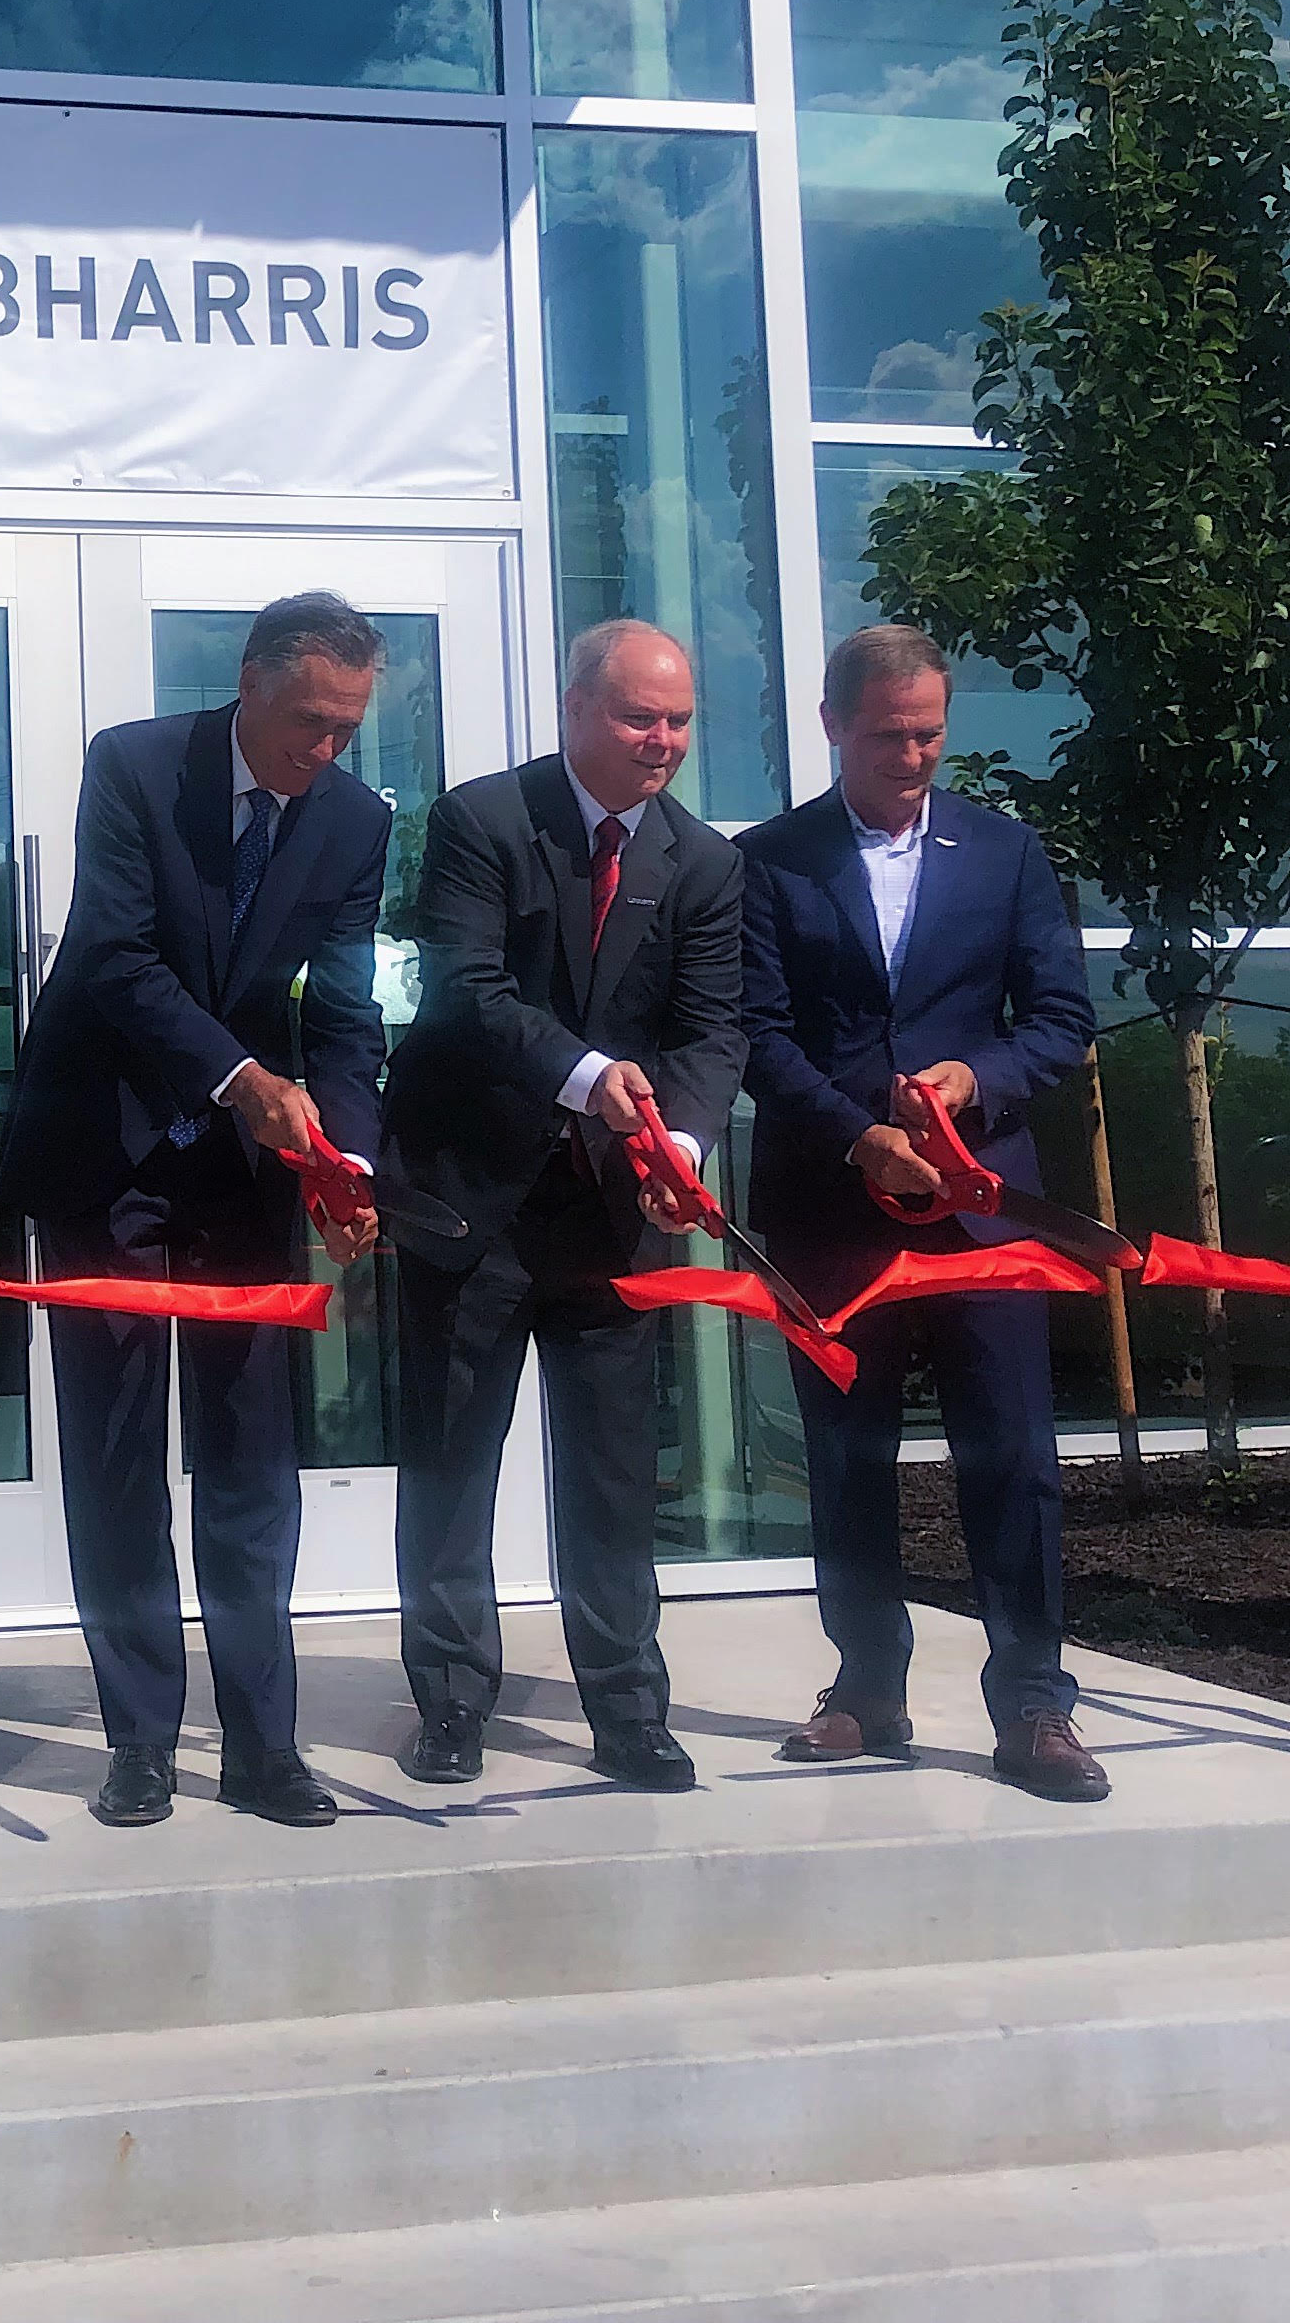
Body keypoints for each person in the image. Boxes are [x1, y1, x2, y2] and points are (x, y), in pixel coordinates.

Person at [0, 592, 392, 1831]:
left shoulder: (357, 820)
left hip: (246, 1176)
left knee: (251, 1458)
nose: (323, 751)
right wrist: (238, 1076)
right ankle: (141, 1742)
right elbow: (113, 955)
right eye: (307, 721)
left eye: (346, 729)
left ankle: (265, 1745)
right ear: (250, 682)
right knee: (117, 1459)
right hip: (103, 1152)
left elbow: (342, 1008)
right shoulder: (134, 763)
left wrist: (348, 1161)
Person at [739, 623, 1107, 1802]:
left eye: (932, 732)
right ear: (835, 725)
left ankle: (1036, 1708)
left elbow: (1059, 1020)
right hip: (828, 1207)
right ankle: (866, 1691)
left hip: (983, 1211)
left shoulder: (1002, 852)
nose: (916, 754)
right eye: (892, 733)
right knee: (847, 1457)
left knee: (1014, 1455)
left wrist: (971, 1082)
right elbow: (755, 1034)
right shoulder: (768, 860)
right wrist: (861, 1135)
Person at [381, 619, 746, 1792]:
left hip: (611, 1218)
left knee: (612, 1474)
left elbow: (711, 1027)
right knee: (449, 1467)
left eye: (680, 720)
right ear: (580, 709)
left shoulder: (704, 862)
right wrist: (592, 1081)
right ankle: (448, 1703)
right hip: (467, 1202)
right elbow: (465, 988)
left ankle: (629, 1711)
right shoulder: (483, 822)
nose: (664, 741)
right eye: (643, 716)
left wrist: (674, 1144)